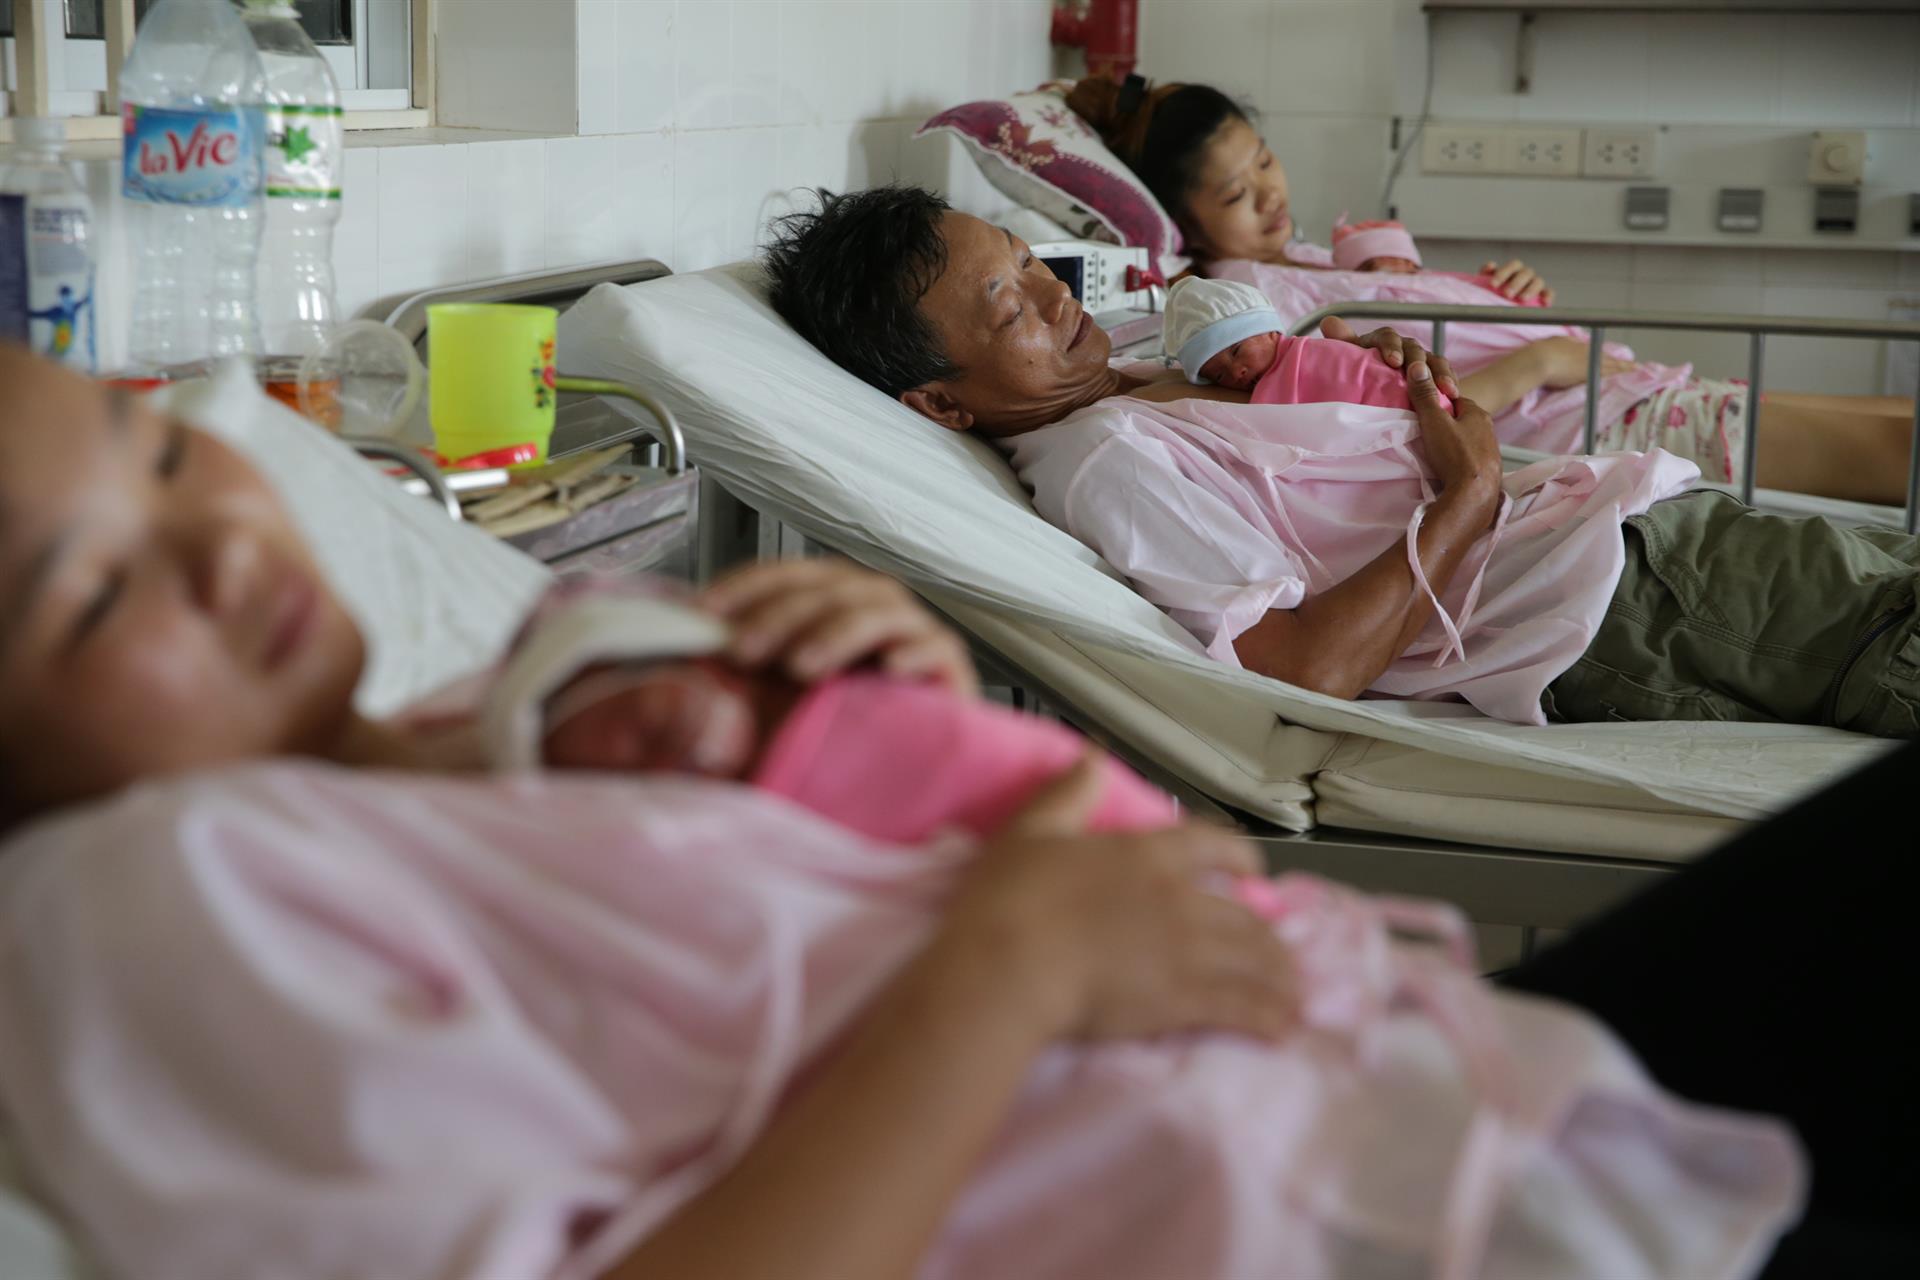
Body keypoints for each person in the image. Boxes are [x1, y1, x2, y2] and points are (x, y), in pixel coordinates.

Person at [0, 345, 1916, 1279]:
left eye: (163, 452)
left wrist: (879, 721)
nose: (213, 542)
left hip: (1385, 1113)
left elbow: (758, 953)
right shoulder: (146, 899)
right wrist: (1006, 968)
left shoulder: (467, 720)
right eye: (81, 595)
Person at [764, 185, 1920, 737]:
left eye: (1029, 260)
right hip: (1619, 597)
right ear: (939, 401)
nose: (1055, 295)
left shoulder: (1134, 377)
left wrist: (1358, 374)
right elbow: (1307, 668)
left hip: (1627, 543)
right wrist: (1468, 490)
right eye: (1009, 305)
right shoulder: (1103, 458)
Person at [1065, 76, 1917, 505]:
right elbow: (1387, 412)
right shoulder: (1252, 303)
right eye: (1236, 195)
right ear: (1181, 221)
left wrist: (1510, 299)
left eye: (1264, 161)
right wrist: (1542, 358)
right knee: (1893, 457)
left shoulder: (1316, 258)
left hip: (1617, 383)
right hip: (1582, 423)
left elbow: (1437, 328)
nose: (1269, 194)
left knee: (1897, 421)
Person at [1167, 276, 1625, 422]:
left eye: (1235, 353)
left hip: (1606, 374)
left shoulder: (1302, 347)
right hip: (1577, 402)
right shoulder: (1264, 289)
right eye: (1218, 375)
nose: (1234, 375)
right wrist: (1541, 360)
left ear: (1270, 332)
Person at [1331, 217, 1548, 307]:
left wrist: (1490, 285)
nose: (1399, 264)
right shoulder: (1354, 287)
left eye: (1406, 261)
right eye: (1384, 260)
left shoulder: (1434, 279)